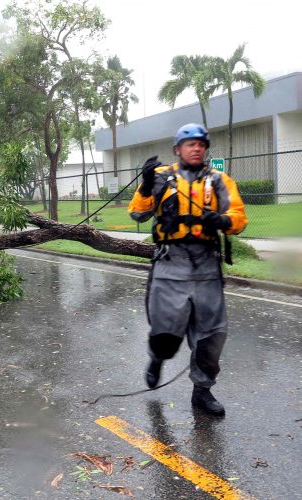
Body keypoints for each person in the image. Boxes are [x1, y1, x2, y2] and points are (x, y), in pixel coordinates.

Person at [128, 123, 247, 416]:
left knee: (212, 335)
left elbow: (238, 217)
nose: (196, 148)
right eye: (189, 144)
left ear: (205, 149)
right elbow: (138, 213)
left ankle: (202, 393)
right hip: (170, 263)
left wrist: (221, 221)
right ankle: (157, 358)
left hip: (206, 264)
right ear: (177, 150)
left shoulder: (219, 180)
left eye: (200, 144)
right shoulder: (160, 177)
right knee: (166, 331)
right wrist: (144, 185)